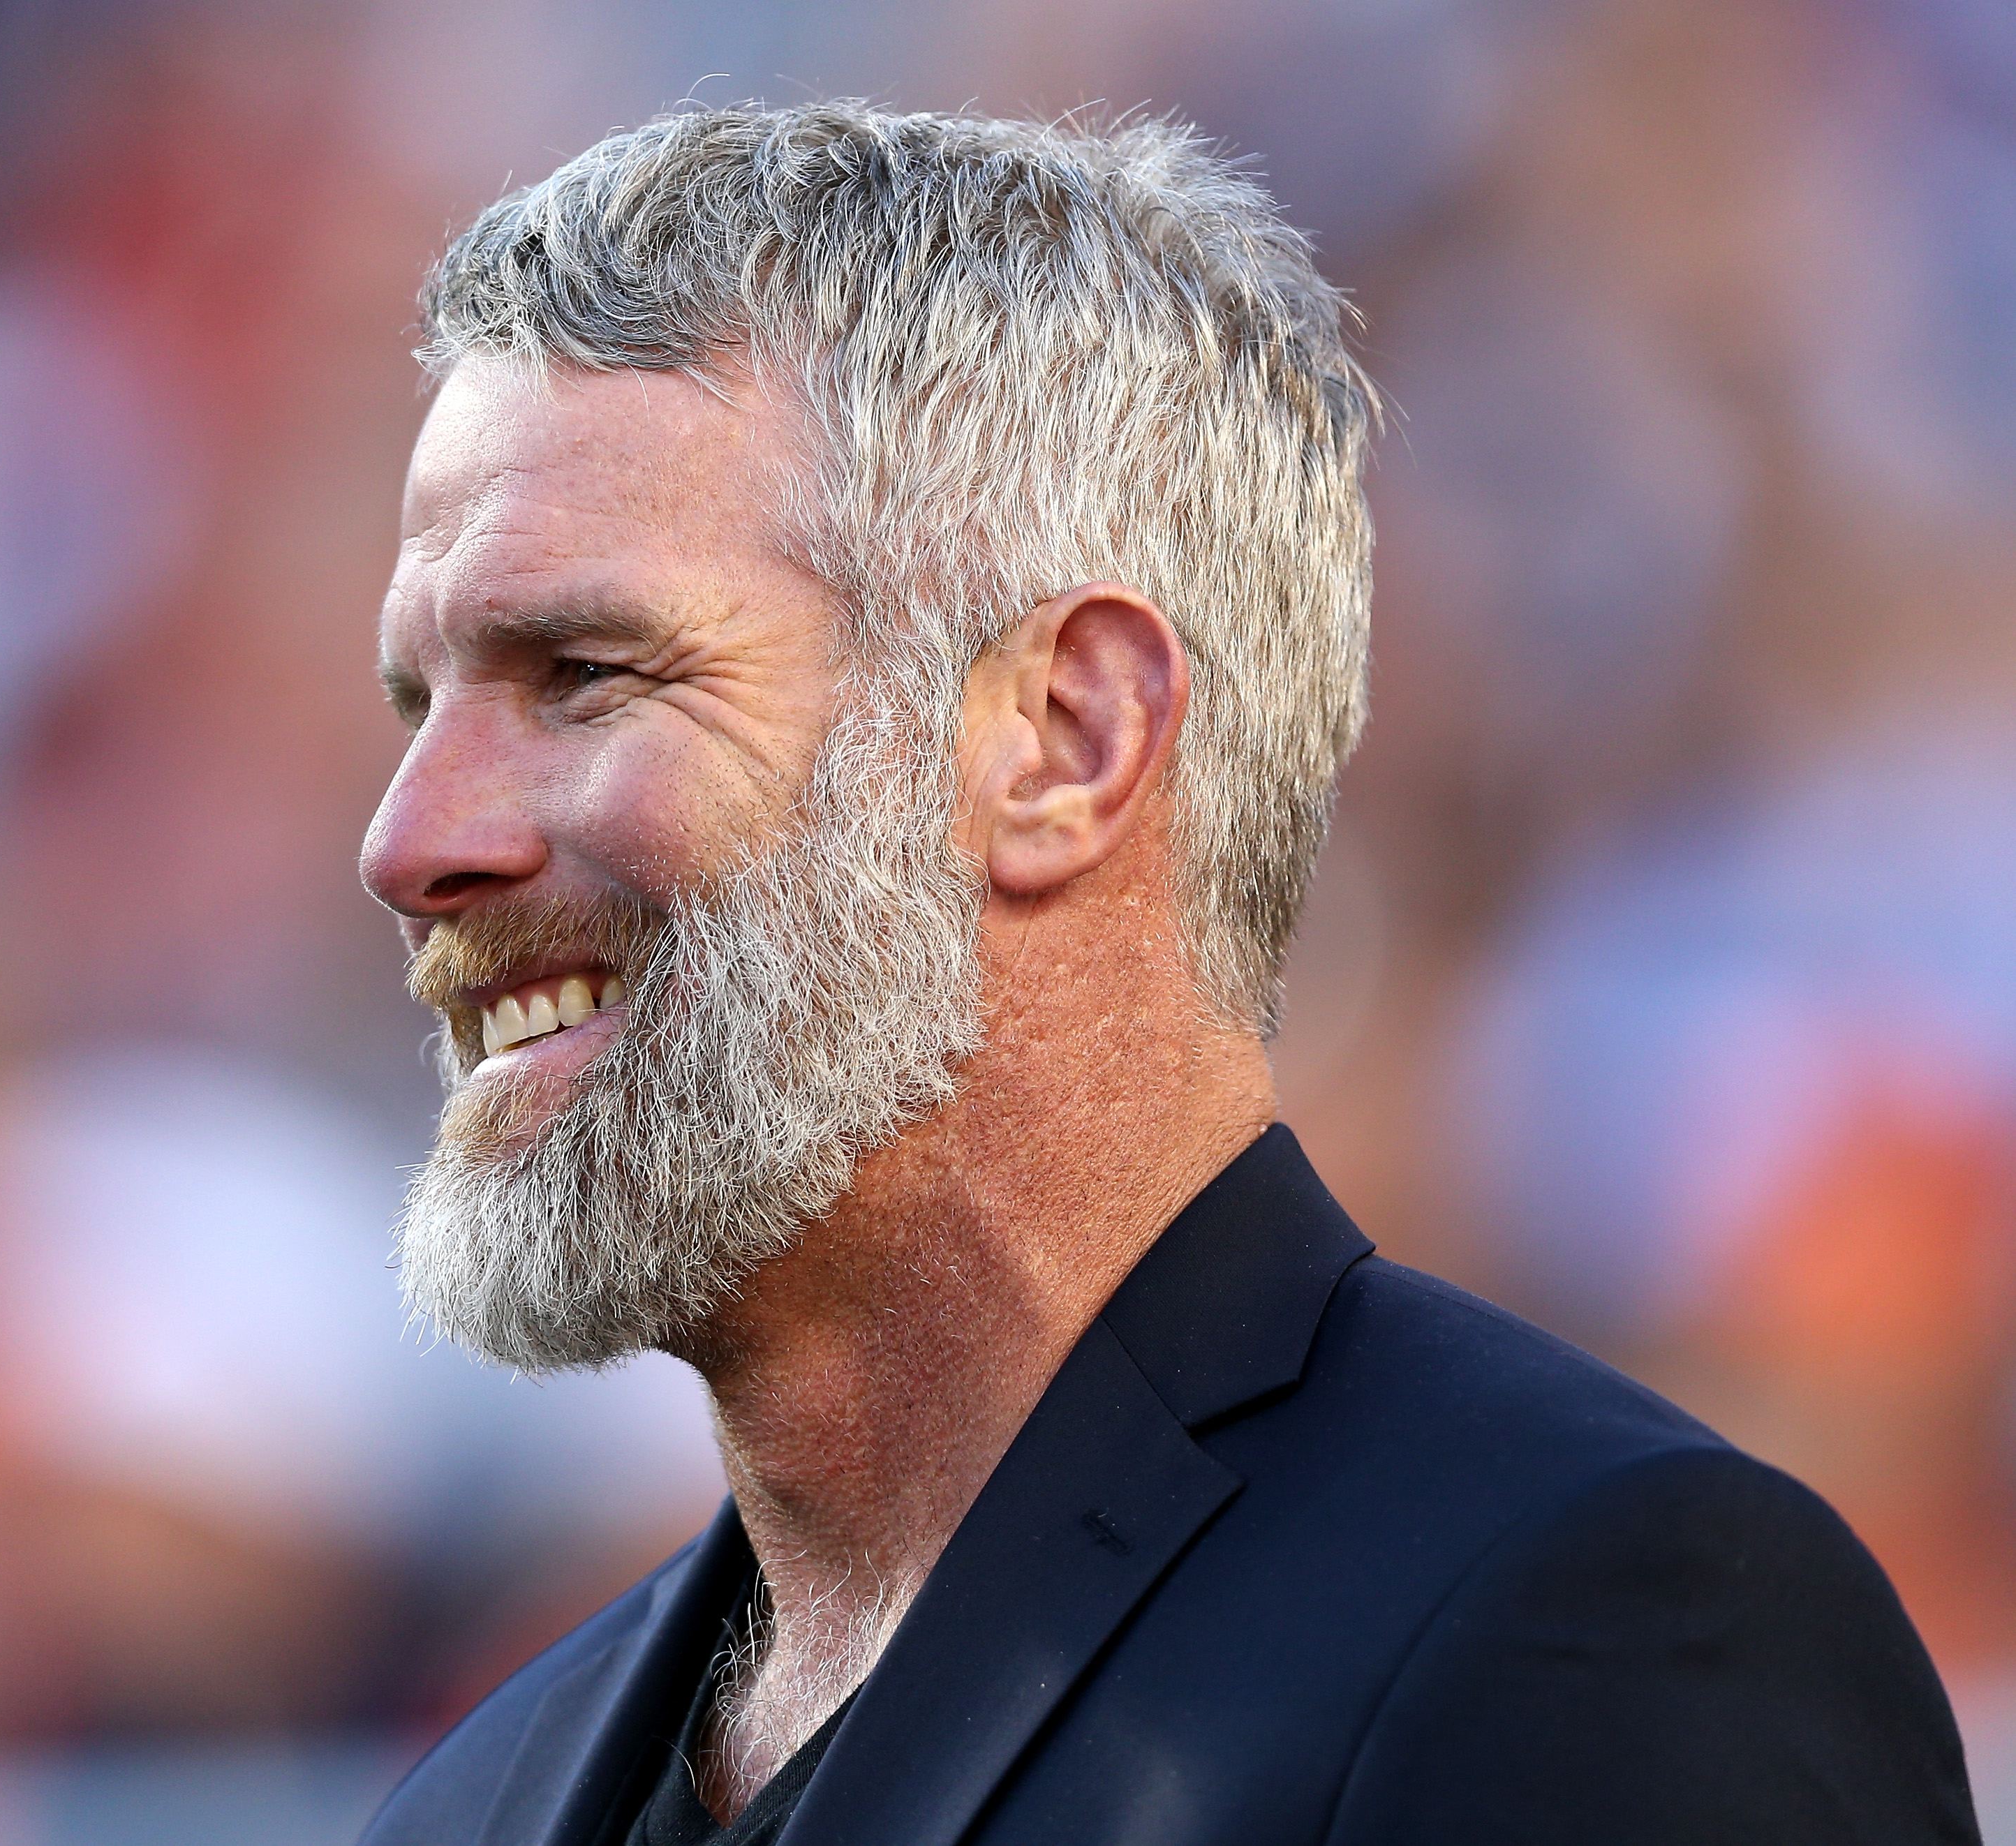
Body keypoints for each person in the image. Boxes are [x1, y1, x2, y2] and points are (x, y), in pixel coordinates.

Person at [352, 103, 1978, 1845]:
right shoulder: (478, 1800)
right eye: (418, 705)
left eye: (588, 675)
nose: (410, 840)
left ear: (1063, 740)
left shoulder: (1594, 1639)